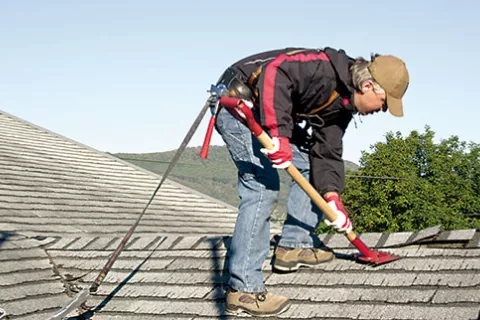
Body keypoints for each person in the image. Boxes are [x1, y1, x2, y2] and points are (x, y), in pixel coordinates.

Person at [208, 47, 409, 317]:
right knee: (262, 186)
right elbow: (274, 73)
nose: (384, 110)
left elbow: (326, 152)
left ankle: (293, 245)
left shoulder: (341, 107)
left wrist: (333, 199)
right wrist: (279, 136)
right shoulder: (322, 68)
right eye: (385, 101)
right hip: (237, 102)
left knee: (309, 162)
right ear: (368, 86)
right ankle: (243, 289)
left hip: (264, 112)